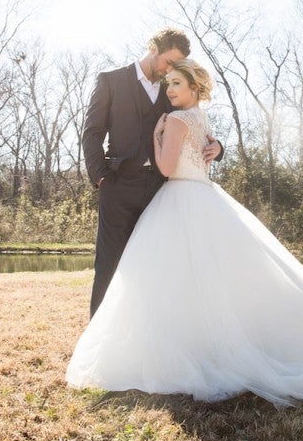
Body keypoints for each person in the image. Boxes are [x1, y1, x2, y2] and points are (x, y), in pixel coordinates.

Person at [67, 59, 303, 407]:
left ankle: (192, 346)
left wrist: (159, 134)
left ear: (194, 87)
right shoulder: (196, 114)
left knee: (179, 276)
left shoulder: (175, 119)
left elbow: (165, 165)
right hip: (202, 196)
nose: (169, 87)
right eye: (169, 82)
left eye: (177, 82)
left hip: (179, 197)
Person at [82, 29, 222, 316]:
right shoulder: (111, 81)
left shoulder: (171, 88)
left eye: (176, 67)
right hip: (118, 185)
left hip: (161, 190)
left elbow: (193, 125)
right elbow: (92, 132)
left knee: (154, 268)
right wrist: (100, 176)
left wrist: (219, 146)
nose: (171, 71)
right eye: (169, 62)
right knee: (109, 264)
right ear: (154, 48)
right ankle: (98, 340)